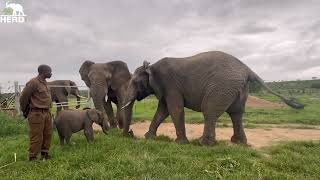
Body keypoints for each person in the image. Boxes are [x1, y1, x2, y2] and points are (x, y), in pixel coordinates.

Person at [19, 64, 53, 161]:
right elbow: (23, 98)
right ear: (43, 72)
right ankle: (33, 157)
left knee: (48, 134)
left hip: (47, 113)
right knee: (36, 136)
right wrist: (25, 111)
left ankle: (45, 154)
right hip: (36, 113)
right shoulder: (33, 82)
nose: (51, 74)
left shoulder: (45, 83)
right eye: (49, 71)